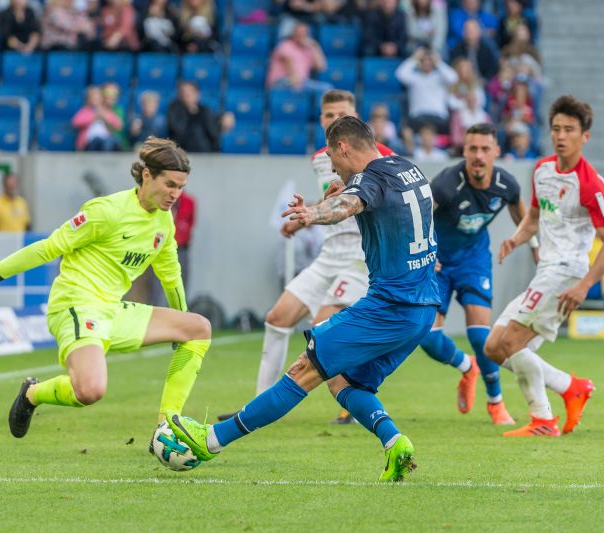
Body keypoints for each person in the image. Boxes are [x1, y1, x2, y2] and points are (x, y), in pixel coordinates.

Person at [169, 116, 441, 481]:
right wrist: (342, 194)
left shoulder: (369, 179)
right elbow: (387, 204)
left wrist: (313, 213)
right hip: (423, 308)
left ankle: (210, 441)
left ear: (344, 147)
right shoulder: (407, 168)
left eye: (332, 156)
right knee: (344, 382)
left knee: (304, 370)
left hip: (390, 306)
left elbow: (348, 206)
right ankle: (395, 443)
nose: (331, 165)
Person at [0, 138, 212, 441]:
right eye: (170, 184)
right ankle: (32, 393)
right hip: (75, 305)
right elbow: (47, 248)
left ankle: (167, 427)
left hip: (112, 310)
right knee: (90, 390)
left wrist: (179, 318)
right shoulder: (106, 211)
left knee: (197, 328)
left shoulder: (164, 223)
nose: (175, 194)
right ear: (147, 174)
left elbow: (171, 276)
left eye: (181, 187)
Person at [217, 90, 394, 425]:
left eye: (342, 113)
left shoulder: (382, 157)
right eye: (329, 116)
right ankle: (259, 404)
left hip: (361, 257)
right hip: (329, 254)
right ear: (321, 120)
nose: (335, 120)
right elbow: (334, 196)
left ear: (356, 116)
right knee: (277, 317)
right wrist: (305, 218)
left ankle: (355, 402)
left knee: (321, 331)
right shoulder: (320, 158)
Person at [483, 95, 604, 438]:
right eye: (556, 128)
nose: (561, 136)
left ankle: (543, 419)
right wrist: (516, 238)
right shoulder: (542, 169)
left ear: (584, 136)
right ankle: (571, 387)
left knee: (511, 342)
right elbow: (534, 217)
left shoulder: (589, 182)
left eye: (569, 130)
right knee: (493, 347)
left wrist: (585, 284)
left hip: (568, 272)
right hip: (546, 270)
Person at [419, 123, 534, 426]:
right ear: (464, 151)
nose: (479, 156)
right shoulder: (445, 184)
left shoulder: (506, 184)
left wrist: (533, 245)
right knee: (427, 338)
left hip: (474, 260)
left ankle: (495, 401)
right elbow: (418, 217)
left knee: (480, 334)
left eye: (485, 149)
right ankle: (465, 367)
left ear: (496, 151)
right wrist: (425, 254)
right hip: (439, 263)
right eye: (473, 149)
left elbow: (523, 216)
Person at [265, 21, 329, 93]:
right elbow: (291, 69)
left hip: (301, 82)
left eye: (304, 32)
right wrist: (296, 84)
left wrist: (315, 47)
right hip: (281, 82)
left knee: (326, 88)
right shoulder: (285, 45)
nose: (301, 34)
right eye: (299, 32)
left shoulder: (308, 49)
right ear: (293, 33)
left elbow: (321, 67)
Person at [167, 81, 221, 153]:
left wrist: (223, 120)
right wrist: (188, 109)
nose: (186, 94)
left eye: (190, 91)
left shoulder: (205, 110)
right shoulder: (174, 109)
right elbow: (178, 130)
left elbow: (213, 131)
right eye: (183, 92)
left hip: (206, 153)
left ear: (197, 94)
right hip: (183, 153)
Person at [71, 86, 123, 151]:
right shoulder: (86, 111)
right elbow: (76, 122)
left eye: (98, 98)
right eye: (93, 98)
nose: (96, 101)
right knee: (99, 141)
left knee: (113, 141)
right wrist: (94, 117)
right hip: (89, 142)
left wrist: (105, 117)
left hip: (106, 139)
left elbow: (118, 125)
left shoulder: (106, 111)